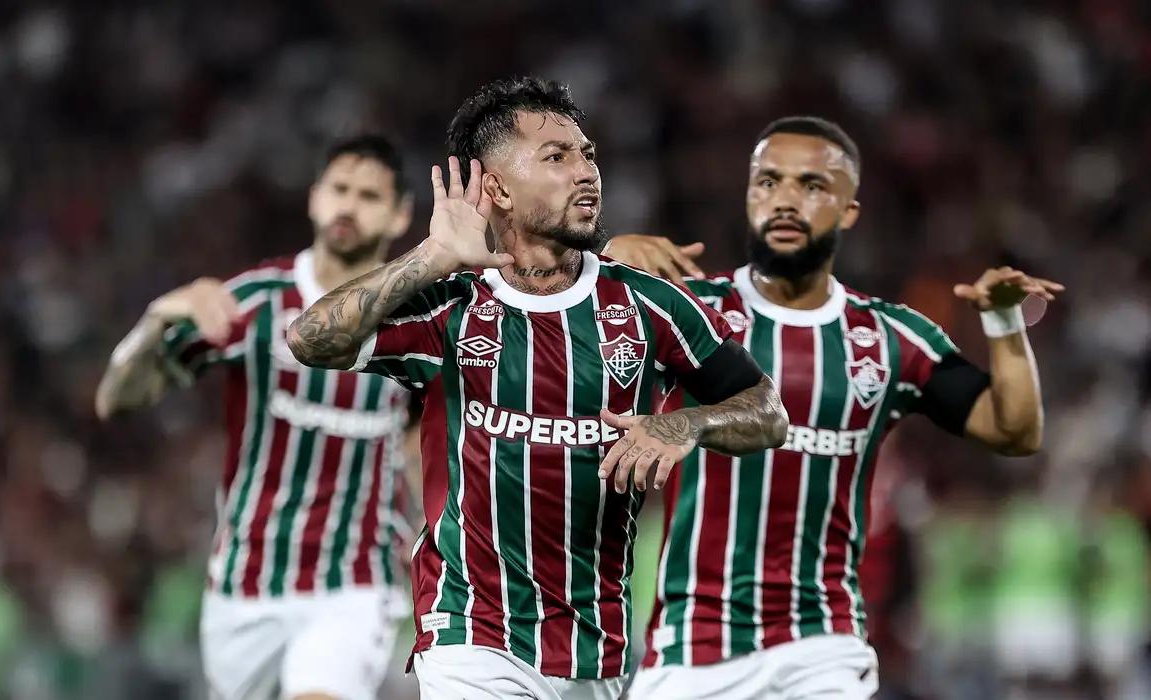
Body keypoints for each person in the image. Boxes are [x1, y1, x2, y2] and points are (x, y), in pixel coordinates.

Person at [286, 76, 789, 700]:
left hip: (593, 646)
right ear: (496, 187)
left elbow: (769, 413)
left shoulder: (649, 306)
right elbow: (309, 338)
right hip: (469, 631)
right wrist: (431, 258)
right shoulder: (453, 304)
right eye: (557, 157)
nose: (586, 173)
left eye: (588, 155)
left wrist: (689, 423)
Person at [605, 116, 1062, 699]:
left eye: (812, 185)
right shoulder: (693, 312)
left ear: (848, 210)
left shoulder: (892, 338)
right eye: (767, 182)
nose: (786, 200)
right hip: (690, 646)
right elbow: (552, 335)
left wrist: (1002, 322)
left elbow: (1015, 429)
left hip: (822, 646)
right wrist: (606, 261)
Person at [96, 134, 418, 700]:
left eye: (369, 196)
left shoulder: (419, 316)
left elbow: (431, 434)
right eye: (339, 189)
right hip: (247, 581)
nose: (348, 205)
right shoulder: (255, 302)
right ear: (315, 198)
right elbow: (117, 399)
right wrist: (155, 321)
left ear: (399, 215)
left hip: (354, 580)